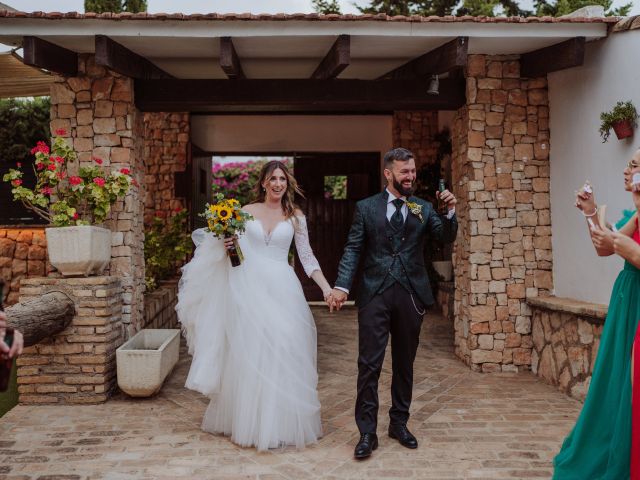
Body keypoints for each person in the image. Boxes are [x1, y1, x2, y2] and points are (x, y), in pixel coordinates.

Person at [176, 160, 332, 451]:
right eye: (272, 178)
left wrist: (326, 288)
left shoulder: (296, 217)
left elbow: (307, 257)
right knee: (254, 353)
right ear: (263, 183)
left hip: (284, 289)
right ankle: (252, 422)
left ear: (287, 183)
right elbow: (234, 252)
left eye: (282, 179)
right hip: (248, 288)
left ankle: (281, 422)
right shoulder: (245, 213)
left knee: (285, 348)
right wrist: (227, 246)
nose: (277, 184)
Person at [329, 147, 458, 459]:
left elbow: (444, 236)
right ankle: (367, 432)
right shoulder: (366, 208)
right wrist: (342, 285)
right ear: (388, 173)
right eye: (404, 172)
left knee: (404, 363)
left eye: (412, 171)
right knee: (369, 365)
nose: (410, 177)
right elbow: (353, 248)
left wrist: (450, 212)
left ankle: (399, 424)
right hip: (374, 293)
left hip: (411, 294)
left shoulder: (423, 208)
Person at [553, 149, 640, 479]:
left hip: (638, 299)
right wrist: (590, 212)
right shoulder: (636, 211)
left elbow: (619, 245)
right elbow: (605, 246)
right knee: (617, 379)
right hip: (627, 298)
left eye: (633, 166)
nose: (626, 171)